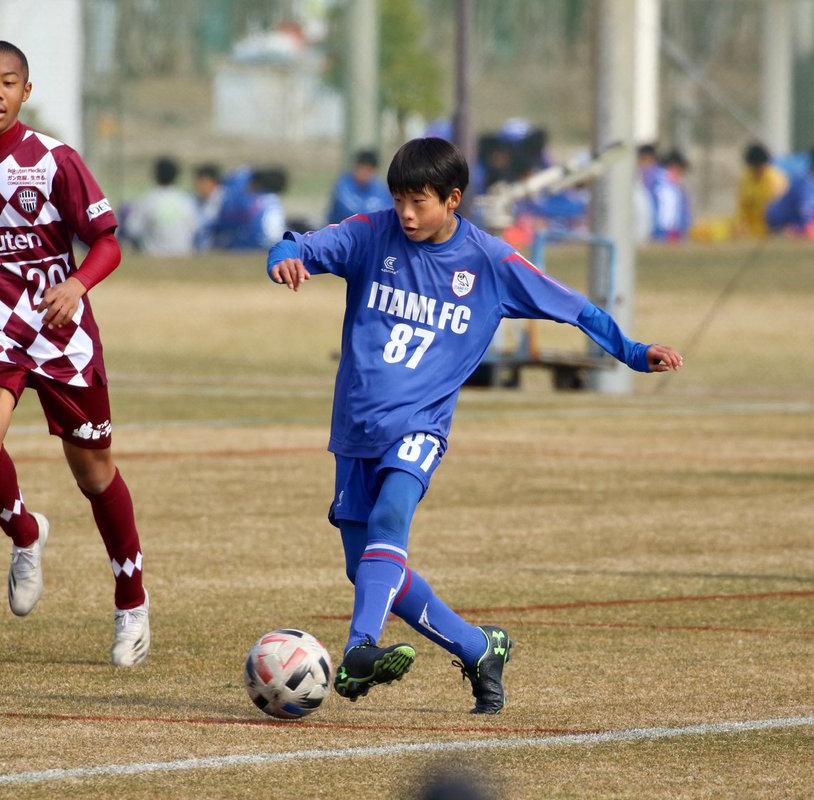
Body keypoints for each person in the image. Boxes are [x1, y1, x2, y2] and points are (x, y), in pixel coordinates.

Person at [265, 138, 683, 711]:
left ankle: (360, 648)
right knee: (365, 567)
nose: (406, 213)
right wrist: (283, 258)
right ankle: (479, 647)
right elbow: (300, 244)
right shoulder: (372, 234)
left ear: (452, 199)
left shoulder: (490, 261)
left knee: (392, 516)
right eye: (398, 200)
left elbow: (575, 306)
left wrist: (633, 351)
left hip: (420, 426)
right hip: (356, 427)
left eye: (418, 201)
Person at [0, 40, 150, 667]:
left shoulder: (55, 160)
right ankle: (25, 533)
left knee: (94, 473)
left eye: (8, 82)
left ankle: (131, 600)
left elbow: (107, 242)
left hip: (60, 331)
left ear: (26, 91)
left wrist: (77, 285)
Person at [119, 155, 197, 256]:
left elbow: (132, 228)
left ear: (155, 175)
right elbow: (195, 228)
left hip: (153, 256)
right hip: (183, 255)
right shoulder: (186, 200)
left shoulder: (148, 200)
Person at [733, 142, 788, 238]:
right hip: (751, 226)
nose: (757, 170)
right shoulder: (745, 179)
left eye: (760, 166)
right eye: (754, 167)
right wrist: (740, 225)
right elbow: (741, 209)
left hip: (771, 225)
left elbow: (780, 208)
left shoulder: (776, 179)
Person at [327, 149, 393, 224]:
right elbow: (349, 213)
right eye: (361, 168)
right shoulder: (343, 184)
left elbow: (387, 212)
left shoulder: (381, 189)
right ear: (355, 167)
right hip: (340, 231)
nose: (364, 173)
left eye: (368, 170)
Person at [192, 162, 223, 250]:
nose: (199, 187)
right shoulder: (194, 202)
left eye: (203, 182)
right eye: (197, 183)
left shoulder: (225, 202)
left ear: (214, 182)